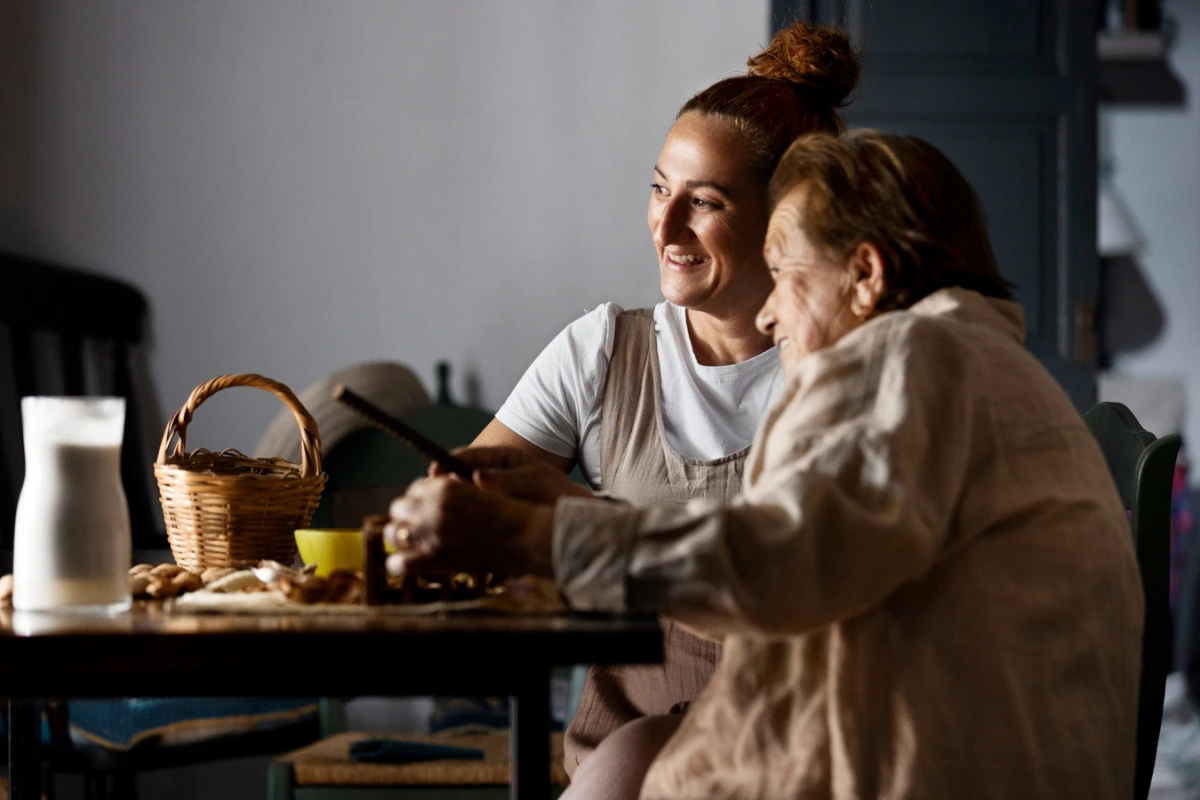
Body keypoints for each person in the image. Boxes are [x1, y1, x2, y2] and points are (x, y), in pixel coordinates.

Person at [387, 129, 1144, 799]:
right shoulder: (985, 367)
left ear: (866, 275)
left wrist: (537, 540)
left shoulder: (909, 357)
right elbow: (826, 549)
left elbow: (789, 558)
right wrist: (567, 515)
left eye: (785, 275)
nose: (772, 312)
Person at [462, 20, 861, 781]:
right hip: (623, 749)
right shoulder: (603, 351)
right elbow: (466, 502)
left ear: (786, 221)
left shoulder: (846, 375)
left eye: (703, 201)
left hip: (801, 752)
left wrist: (575, 521)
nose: (665, 226)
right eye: (658, 188)